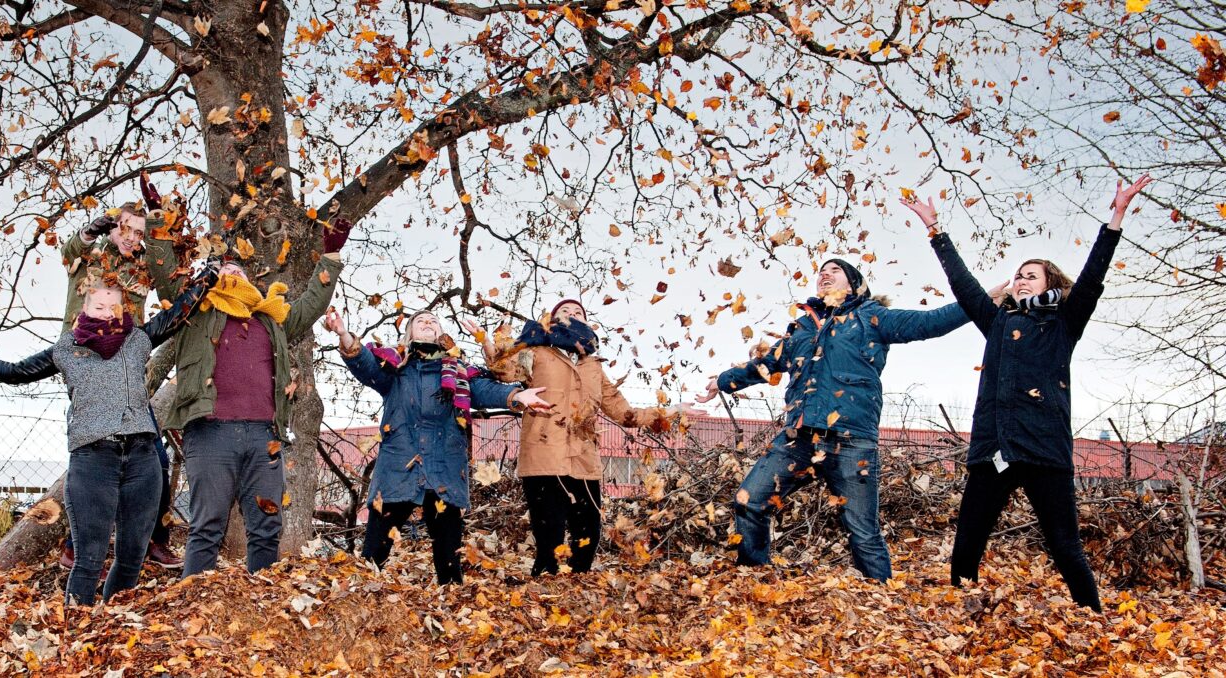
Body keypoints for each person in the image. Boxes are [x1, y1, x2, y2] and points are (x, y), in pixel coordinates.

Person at [903, 175, 1151, 611]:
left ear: (1049, 283)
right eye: (1017, 275)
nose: (1019, 280)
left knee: (1064, 544)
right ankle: (963, 618)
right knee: (968, 541)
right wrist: (935, 230)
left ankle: (1093, 617)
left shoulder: (1063, 323)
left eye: (1030, 276)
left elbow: (1093, 276)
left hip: (1043, 450)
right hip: (994, 446)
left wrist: (1117, 215)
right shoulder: (997, 322)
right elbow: (965, 286)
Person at [0, 266, 216, 605]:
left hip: (141, 459)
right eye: (99, 307)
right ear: (85, 309)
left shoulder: (137, 340)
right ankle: (75, 629)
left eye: (114, 307)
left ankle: (112, 623)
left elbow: (176, 315)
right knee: (89, 559)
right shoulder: (66, 350)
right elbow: (17, 373)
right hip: (93, 459)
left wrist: (208, 277)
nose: (107, 313)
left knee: (132, 558)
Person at [696, 259, 970, 580]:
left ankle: (881, 595)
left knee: (863, 532)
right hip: (798, 439)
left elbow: (930, 322)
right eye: (821, 272)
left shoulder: (871, 317)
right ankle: (756, 578)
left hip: (850, 440)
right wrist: (723, 382)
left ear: (854, 284)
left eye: (834, 271)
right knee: (749, 501)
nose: (824, 274)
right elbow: (766, 364)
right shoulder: (802, 327)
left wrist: (976, 303)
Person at [167, 219, 350, 577]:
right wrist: (160, 223)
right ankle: (190, 611)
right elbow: (163, 275)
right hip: (210, 433)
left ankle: (260, 606)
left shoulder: (272, 320)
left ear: (253, 284)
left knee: (266, 528)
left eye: (239, 269)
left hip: (263, 437)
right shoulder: (195, 313)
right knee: (207, 526)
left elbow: (312, 303)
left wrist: (330, 255)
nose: (232, 271)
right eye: (224, 269)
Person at [466, 300, 699, 576]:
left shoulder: (593, 367)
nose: (572, 315)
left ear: (588, 325)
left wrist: (668, 412)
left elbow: (624, 414)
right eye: (565, 312)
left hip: (584, 462)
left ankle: (579, 589)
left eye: (579, 313)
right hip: (544, 456)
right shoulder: (537, 351)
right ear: (552, 321)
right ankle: (543, 591)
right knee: (549, 536)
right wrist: (486, 342)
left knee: (588, 533)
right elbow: (503, 369)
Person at [326, 309, 551, 584]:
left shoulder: (458, 372)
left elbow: (485, 391)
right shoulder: (395, 369)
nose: (427, 323)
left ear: (443, 333)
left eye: (433, 320)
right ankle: (358, 606)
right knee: (373, 555)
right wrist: (343, 334)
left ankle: (453, 614)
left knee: (449, 562)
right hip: (397, 470)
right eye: (420, 321)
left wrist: (517, 395)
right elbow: (365, 365)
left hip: (444, 469)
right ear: (409, 334)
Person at [57, 180, 186, 571]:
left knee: (152, 460)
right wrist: (89, 231)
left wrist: (161, 215)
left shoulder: (143, 266)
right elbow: (70, 251)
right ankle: (76, 544)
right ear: (112, 227)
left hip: (129, 372)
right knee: (96, 455)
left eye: (138, 232)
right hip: (88, 366)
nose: (130, 238)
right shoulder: (90, 259)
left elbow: (169, 265)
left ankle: (152, 539)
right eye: (123, 229)